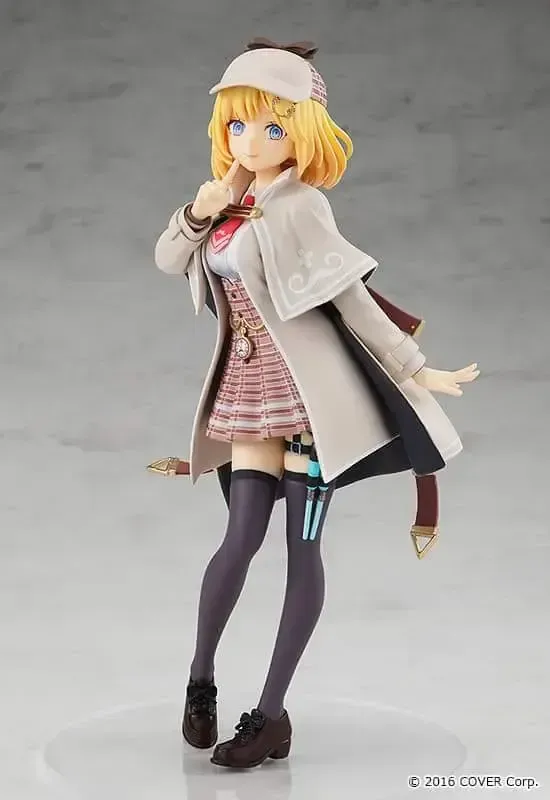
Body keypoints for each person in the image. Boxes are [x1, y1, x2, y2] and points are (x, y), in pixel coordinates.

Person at [152, 38, 479, 769]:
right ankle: (200, 680)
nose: (252, 141)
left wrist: (415, 368)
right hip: (247, 391)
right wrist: (199, 211)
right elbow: (169, 259)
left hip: (307, 401)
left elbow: (351, 298)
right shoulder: (225, 205)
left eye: (272, 126)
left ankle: (270, 714)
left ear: (302, 133)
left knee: (303, 547)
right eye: (238, 124)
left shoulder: (302, 205)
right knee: (240, 538)